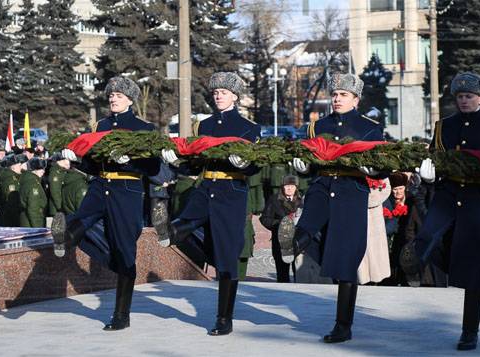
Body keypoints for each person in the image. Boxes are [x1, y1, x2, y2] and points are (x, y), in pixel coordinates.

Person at [403, 72, 480, 350]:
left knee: (476, 267)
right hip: (448, 193)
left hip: (479, 198)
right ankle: (415, 266)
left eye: (469, 96)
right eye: (460, 96)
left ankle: (469, 330)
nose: (464, 100)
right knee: (427, 235)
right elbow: (433, 157)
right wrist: (428, 175)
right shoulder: (444, 127)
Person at [157, 72, 261, 336]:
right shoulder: (204, 126)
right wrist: (176, 159)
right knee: (186, 221)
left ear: (235, 97)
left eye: (223, 92)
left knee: (226, 257)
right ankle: (167, 232)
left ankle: (224, 317)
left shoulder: (249, 128)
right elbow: (196, 162)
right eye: (215, 92)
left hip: (232, 190)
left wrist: (245, 164)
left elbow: (256, 166)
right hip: (207, 186)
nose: (218, 96)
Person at [52, 76, 159, 331]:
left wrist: (128, 162)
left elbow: (153, 167)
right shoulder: (100, 125)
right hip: (101, 184)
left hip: (127, 188)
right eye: (111, 95)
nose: (113, 98)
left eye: (118, 95)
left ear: (130, 100)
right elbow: (92, 163)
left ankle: (121, 314)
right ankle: (63, 238)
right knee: (83, 217)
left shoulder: (144, 128)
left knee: (124, 249)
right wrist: (75, 158)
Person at [283, 73, 384, 343]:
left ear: (356, 99)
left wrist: (372, 168)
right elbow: (309, 161)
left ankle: (343, 325)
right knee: (307, 225)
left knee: (346, 260)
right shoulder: (318, 126)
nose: (337, 99)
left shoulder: (369, 127)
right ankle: (290, 245)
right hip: (323, 185)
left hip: (352, 190)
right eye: (335, 94)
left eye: (343, 95)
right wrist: (303, 168)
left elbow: (384, 163)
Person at [260, 175, 303, 283]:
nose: (289, 188)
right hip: (280, 242)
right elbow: (265, 219)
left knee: (299, 273)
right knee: (282, 275)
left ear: (296, 187)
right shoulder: (274, 200)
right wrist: (279, 224)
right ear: (282, 187)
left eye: (292, 186)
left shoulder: (302, 201)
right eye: (287, 186)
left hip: (297, 241)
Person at [357, 177, 391, 285]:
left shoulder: (381, 173)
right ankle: (361, 279)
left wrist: (369, 199)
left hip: (375, 217)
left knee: (376, 249)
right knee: (361, 249)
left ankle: (376, 279)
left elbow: (387, 188)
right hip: (357, 213)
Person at [0, 154, 26, 227]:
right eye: (19, 165)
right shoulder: (11, 180)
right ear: (13, 167)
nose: (20, 167)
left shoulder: (11, 177)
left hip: (5, 215)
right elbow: (12, 202)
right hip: (9, 218)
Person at [19, 158, 48, 227]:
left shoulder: (29, 180)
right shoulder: (33, 184)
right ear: (34, 170)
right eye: (41, 169)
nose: (43, 171)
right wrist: (38, 227)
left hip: (26, 220)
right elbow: (33, 208)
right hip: (32, 223)